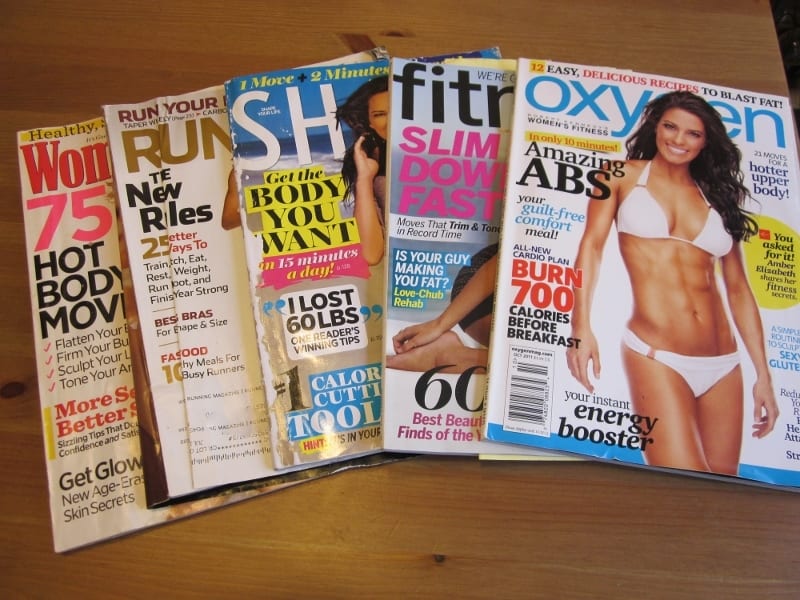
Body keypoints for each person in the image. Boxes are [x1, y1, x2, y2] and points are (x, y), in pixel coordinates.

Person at [566, 90, 778, 475]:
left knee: (722, 490)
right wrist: (580, 329)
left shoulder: (719, 195)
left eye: (693, 133)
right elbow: (591, 248)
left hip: (725, 363)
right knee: (682, 484)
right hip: (656, 355)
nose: (678, 140)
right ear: (655, 127)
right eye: (670, 127)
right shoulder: (618, 175)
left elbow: (738, 288)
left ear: (706, 141)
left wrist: (763, 374)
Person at [387, 244, 497, 373]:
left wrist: (439, 325)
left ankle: (448, 354)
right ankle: (447, 356)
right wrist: (439, 325)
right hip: (483, 290)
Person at [336, 76, 389, 266]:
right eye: (380, 114)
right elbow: (370, 254)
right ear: (370, 123)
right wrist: (364, 179)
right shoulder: (373, 165)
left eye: (400, 110)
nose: (391, 121)